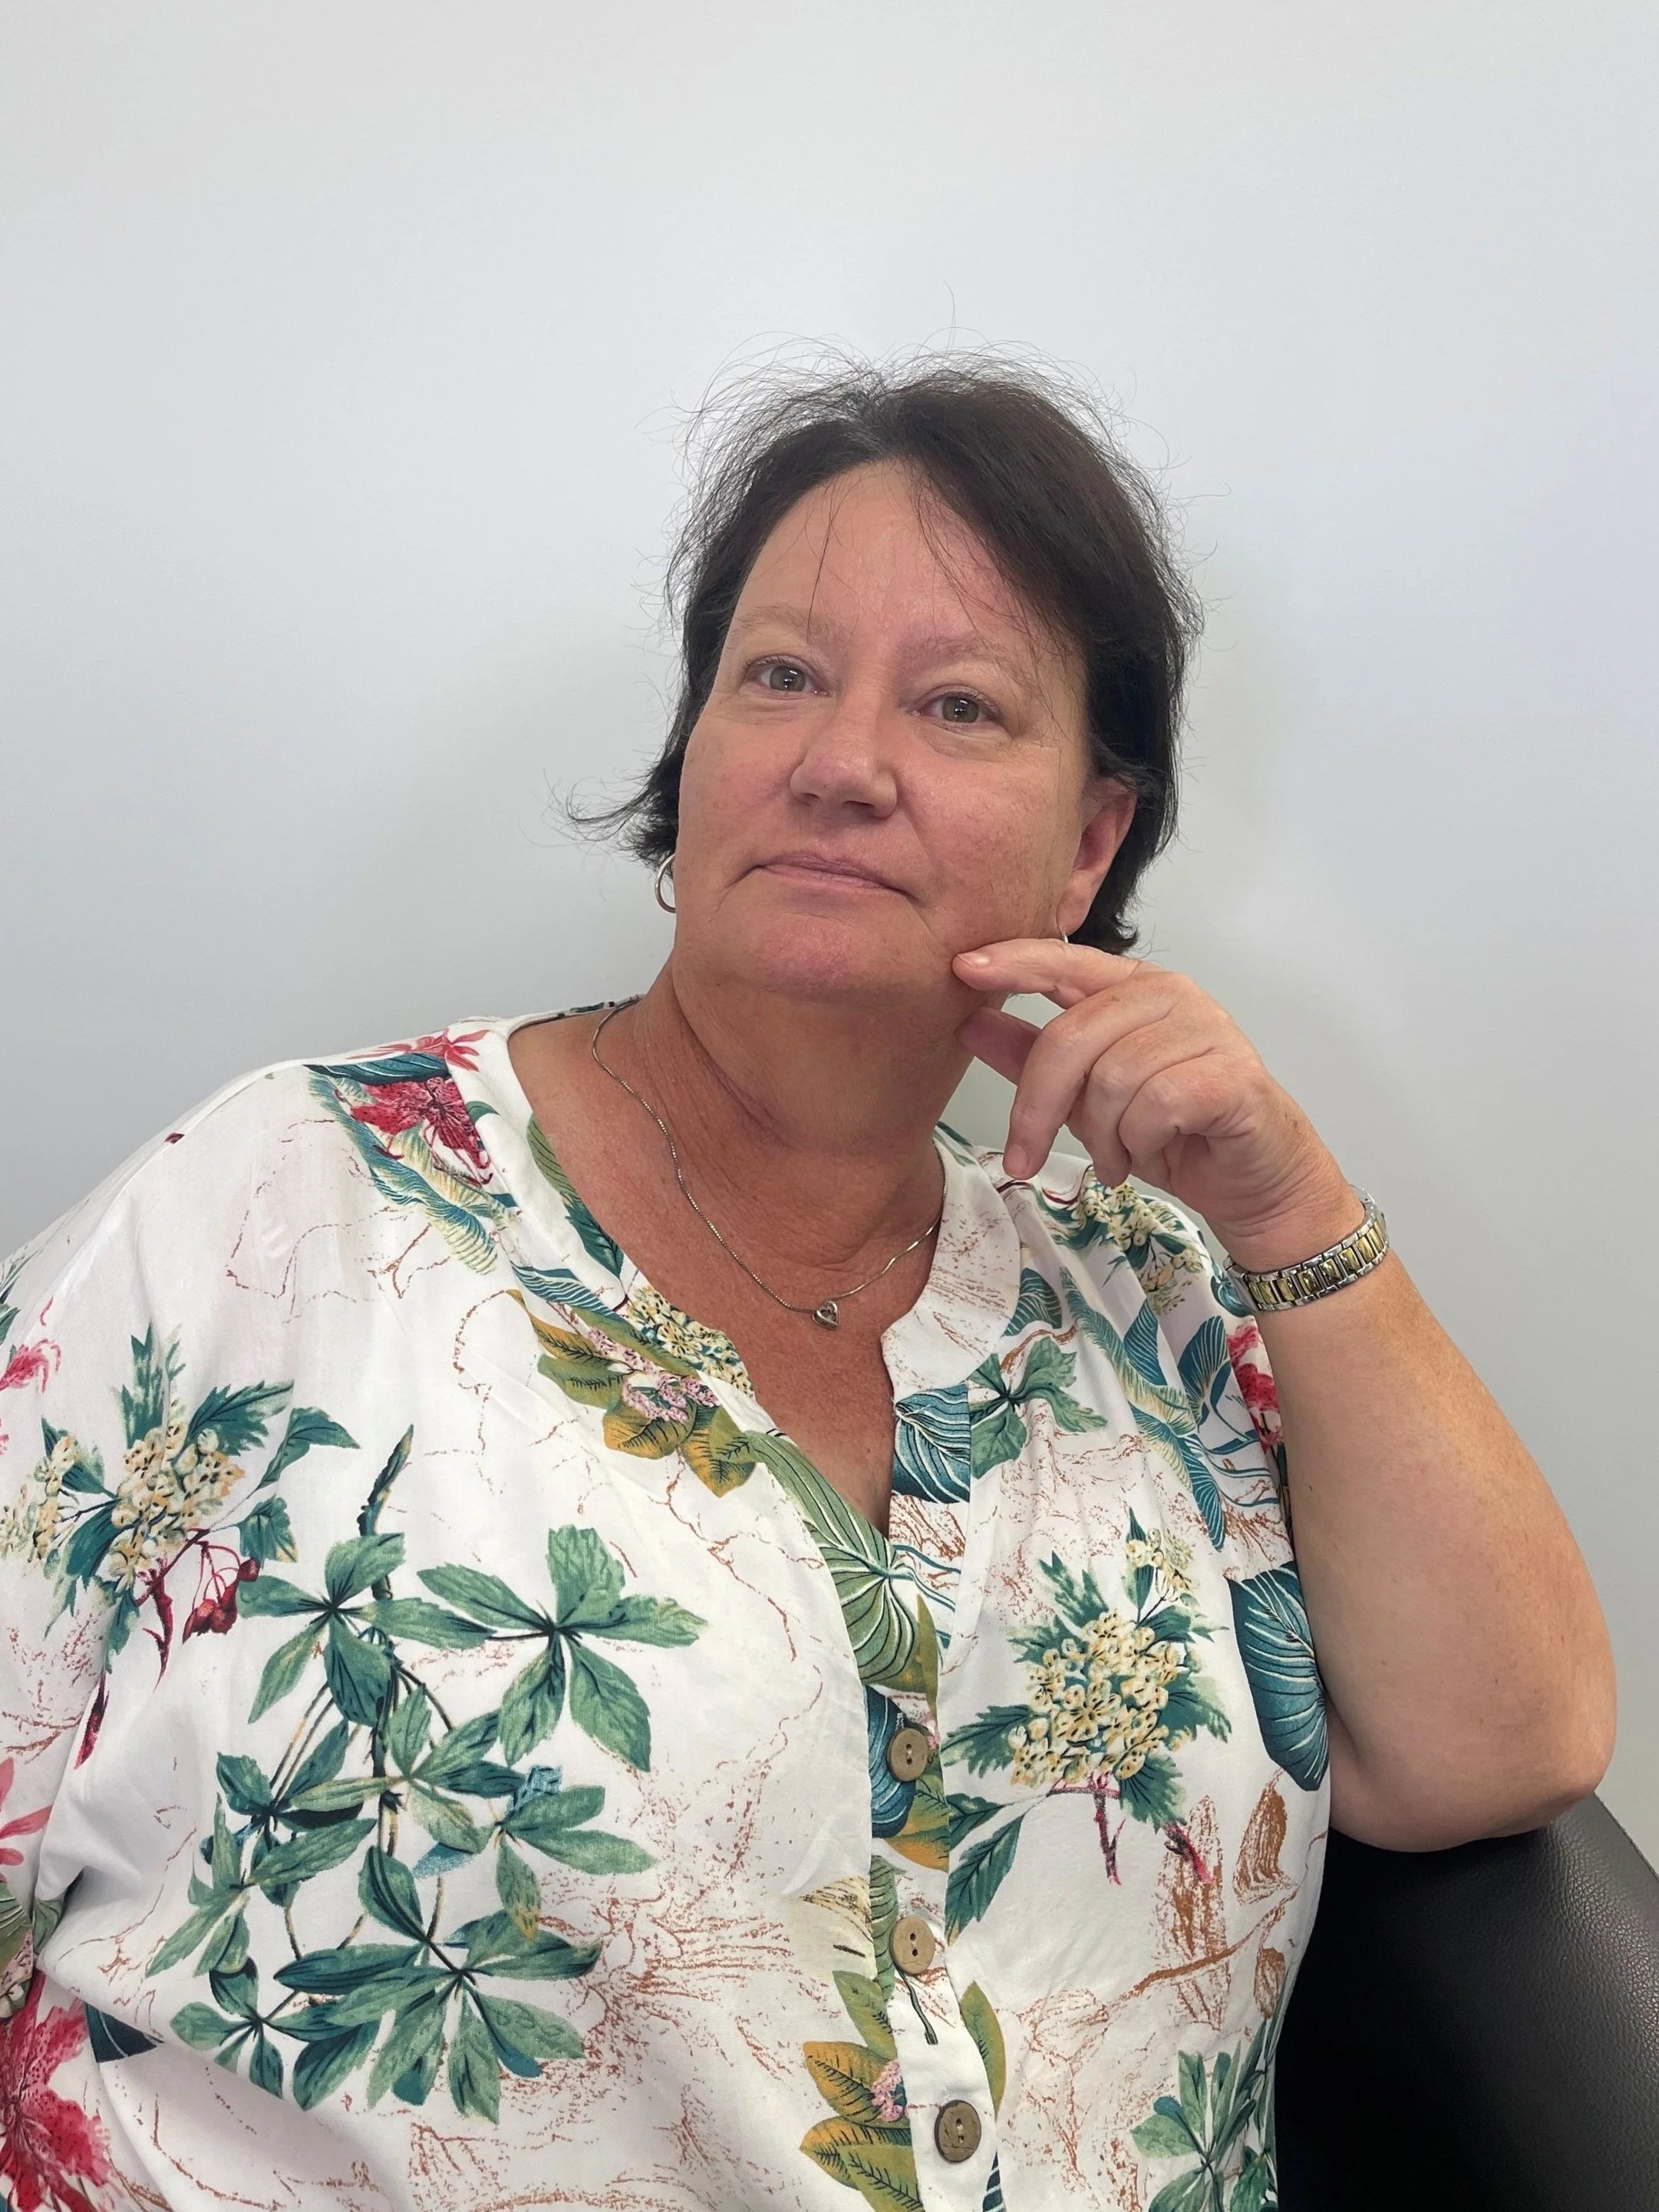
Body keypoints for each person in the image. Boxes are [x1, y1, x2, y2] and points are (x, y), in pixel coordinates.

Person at [0, 354, 1614, 2212]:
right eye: (777, 677)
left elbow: (1503, 1747)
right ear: (691, 763)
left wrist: (1293, 1207)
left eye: (958, 704)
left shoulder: (1155, 1292)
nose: (841, 763)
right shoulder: (280, 1207)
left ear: (1091, 843)